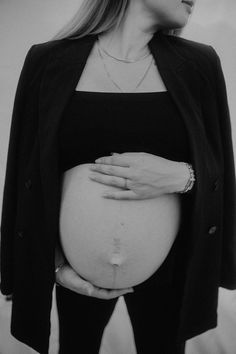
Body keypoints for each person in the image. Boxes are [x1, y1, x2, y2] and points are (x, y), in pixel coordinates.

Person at [0, 0, 236, 353]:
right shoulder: (47, 62)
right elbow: (26, 174)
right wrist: (54, 265)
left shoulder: (199, 64)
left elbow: (220, 173)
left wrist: (181, 175)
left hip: (172, 263)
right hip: (75, 270)